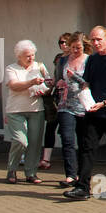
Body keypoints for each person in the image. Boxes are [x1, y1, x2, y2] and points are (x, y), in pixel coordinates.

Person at [63, 26, 106, 201]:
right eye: (93, 40)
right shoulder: (93, 60)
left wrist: (104, 103)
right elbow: (87, 83)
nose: (95, 43)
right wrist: (86, 97)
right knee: (87, 148)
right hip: (94, 112)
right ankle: (82, 188)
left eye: (99, 39)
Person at [4, 40, 50, 185]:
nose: (31, 58)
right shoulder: (11, 68)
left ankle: (31, 172)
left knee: (35, 142)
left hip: (36, 108)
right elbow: (14, 86)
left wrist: (46, 87)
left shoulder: (40, 66)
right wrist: (32, 82)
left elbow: (48, 83)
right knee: (20, 140)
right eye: (27, 56)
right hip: (16, 109)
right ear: (19, 56)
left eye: (32, 55)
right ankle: (12, 169)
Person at [55, 32, 90, 187]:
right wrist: (59, 83)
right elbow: (58, 79)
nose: (76, 51)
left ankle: (83, 176)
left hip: (83, 105)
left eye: (79, 48)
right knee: (67, 140)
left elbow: (90, 83)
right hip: (65, 105)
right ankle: (70, 175)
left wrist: (74, 76)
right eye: (73, 47)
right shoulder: (63, 60)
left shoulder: (90, 61)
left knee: (84, 142)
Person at [40, 33, 69, 171]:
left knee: (66, 130)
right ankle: (46, 159)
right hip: (57, 98)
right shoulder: (59, 59)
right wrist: (48, 89)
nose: (63, 45)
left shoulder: (75, 59)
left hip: (69, 98)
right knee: (50, 127)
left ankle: (69, 158)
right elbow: (55, 78)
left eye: (65, 42)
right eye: (60, 42)